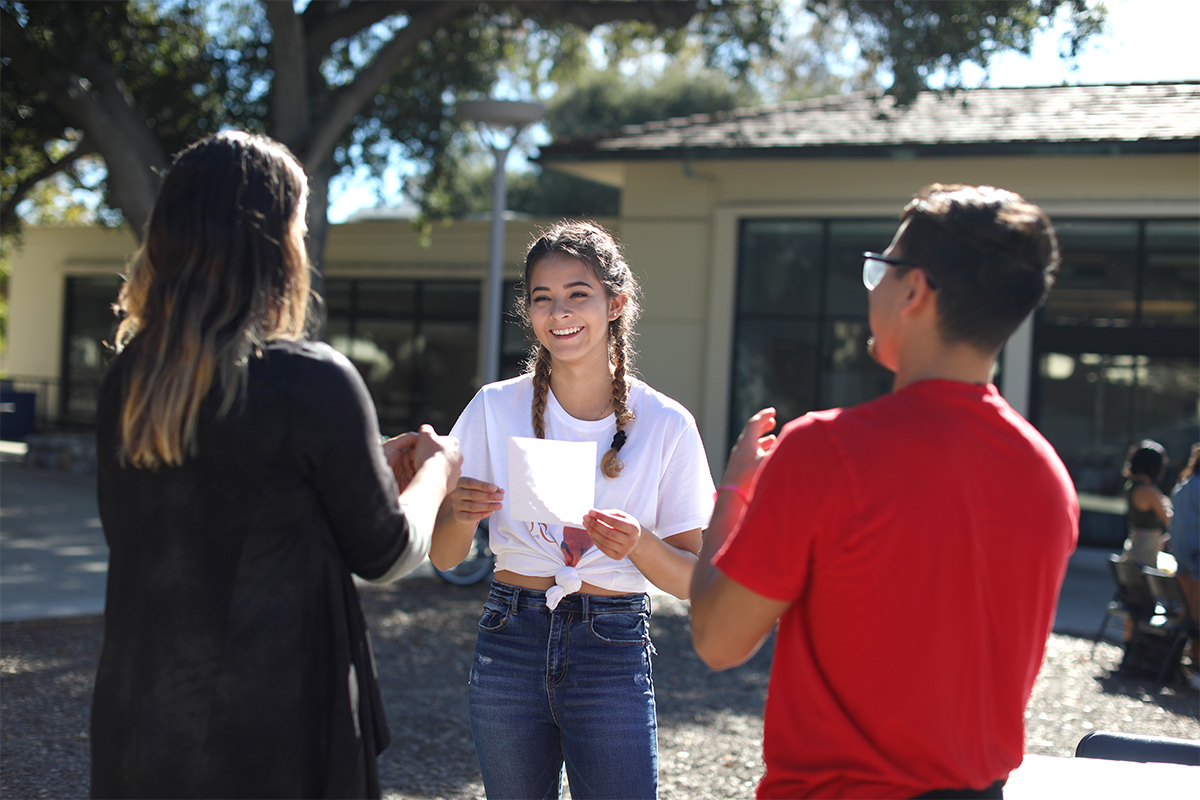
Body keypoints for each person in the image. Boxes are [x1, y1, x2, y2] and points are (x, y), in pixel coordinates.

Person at [90, 131, 461, 799]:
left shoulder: (129, 379)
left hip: (141, 718)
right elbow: (385, 554)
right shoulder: (309, 379)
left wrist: (356, 471)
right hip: (272, 732)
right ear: (272, 240)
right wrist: (437, 472)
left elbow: (208, 500)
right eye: (300, 222)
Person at [691, 184, 1079, 799]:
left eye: (881, 270)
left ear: (916, 291)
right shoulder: (1049, 478)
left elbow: (717, 639)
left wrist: (736, 489)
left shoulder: (827, 450)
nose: (871, 285)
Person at [431, 220, 714, 799]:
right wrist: (460, 513)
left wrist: (639, 544)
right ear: (529, 312)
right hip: (510, 635)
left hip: (612, 645)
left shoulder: (667, 424)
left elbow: (696, 582)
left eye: (578, 294)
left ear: (616, 303)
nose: (560, 311)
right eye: (543, 298)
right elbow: (443, 556)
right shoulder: (493, 407)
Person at [1169, 443, 1200, 687]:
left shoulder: (1182, 488)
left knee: (1190, 616)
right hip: (1196, 561)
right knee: (1196, 619)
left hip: (1183, 562)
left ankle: (1185, 664)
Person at [1121, 440, 1173, 566]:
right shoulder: (1148, 490)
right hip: (1146, 552)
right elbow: (1169, 519)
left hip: (1134, 545)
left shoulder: (1130, 485)